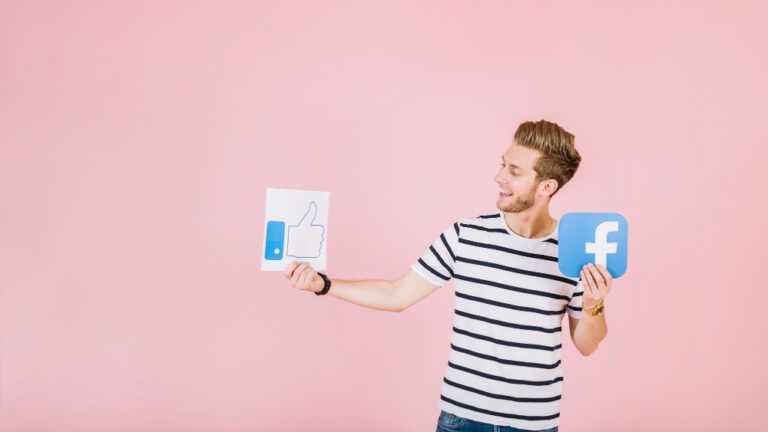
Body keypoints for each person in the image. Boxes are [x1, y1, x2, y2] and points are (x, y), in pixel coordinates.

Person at [284, 120, 613, 432]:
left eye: (513, 171)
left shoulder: (574, 251)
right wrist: (323, 285)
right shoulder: (466, 235)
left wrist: (594, 303)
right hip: (463, 418)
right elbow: (397, 295)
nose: (499, 177)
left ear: (547, 186)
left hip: (535, 422)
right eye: (502, 164)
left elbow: (586, 344)